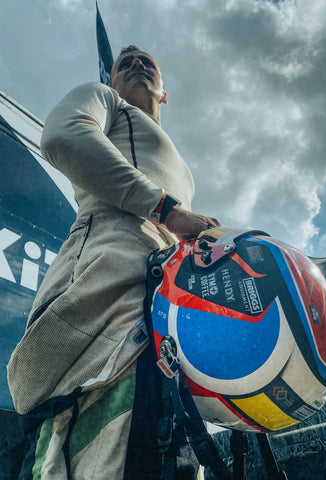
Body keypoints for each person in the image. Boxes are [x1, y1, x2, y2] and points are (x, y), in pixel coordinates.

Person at [7, 45, 220, 479]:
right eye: (125, 64)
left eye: (148, 63)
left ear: (165, 94)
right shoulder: (105, 100)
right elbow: (64, 135)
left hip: (165, 321)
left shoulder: (183, 168)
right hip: (109, 290)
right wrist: (167, 210)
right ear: (111, 80)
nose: (137, 65)